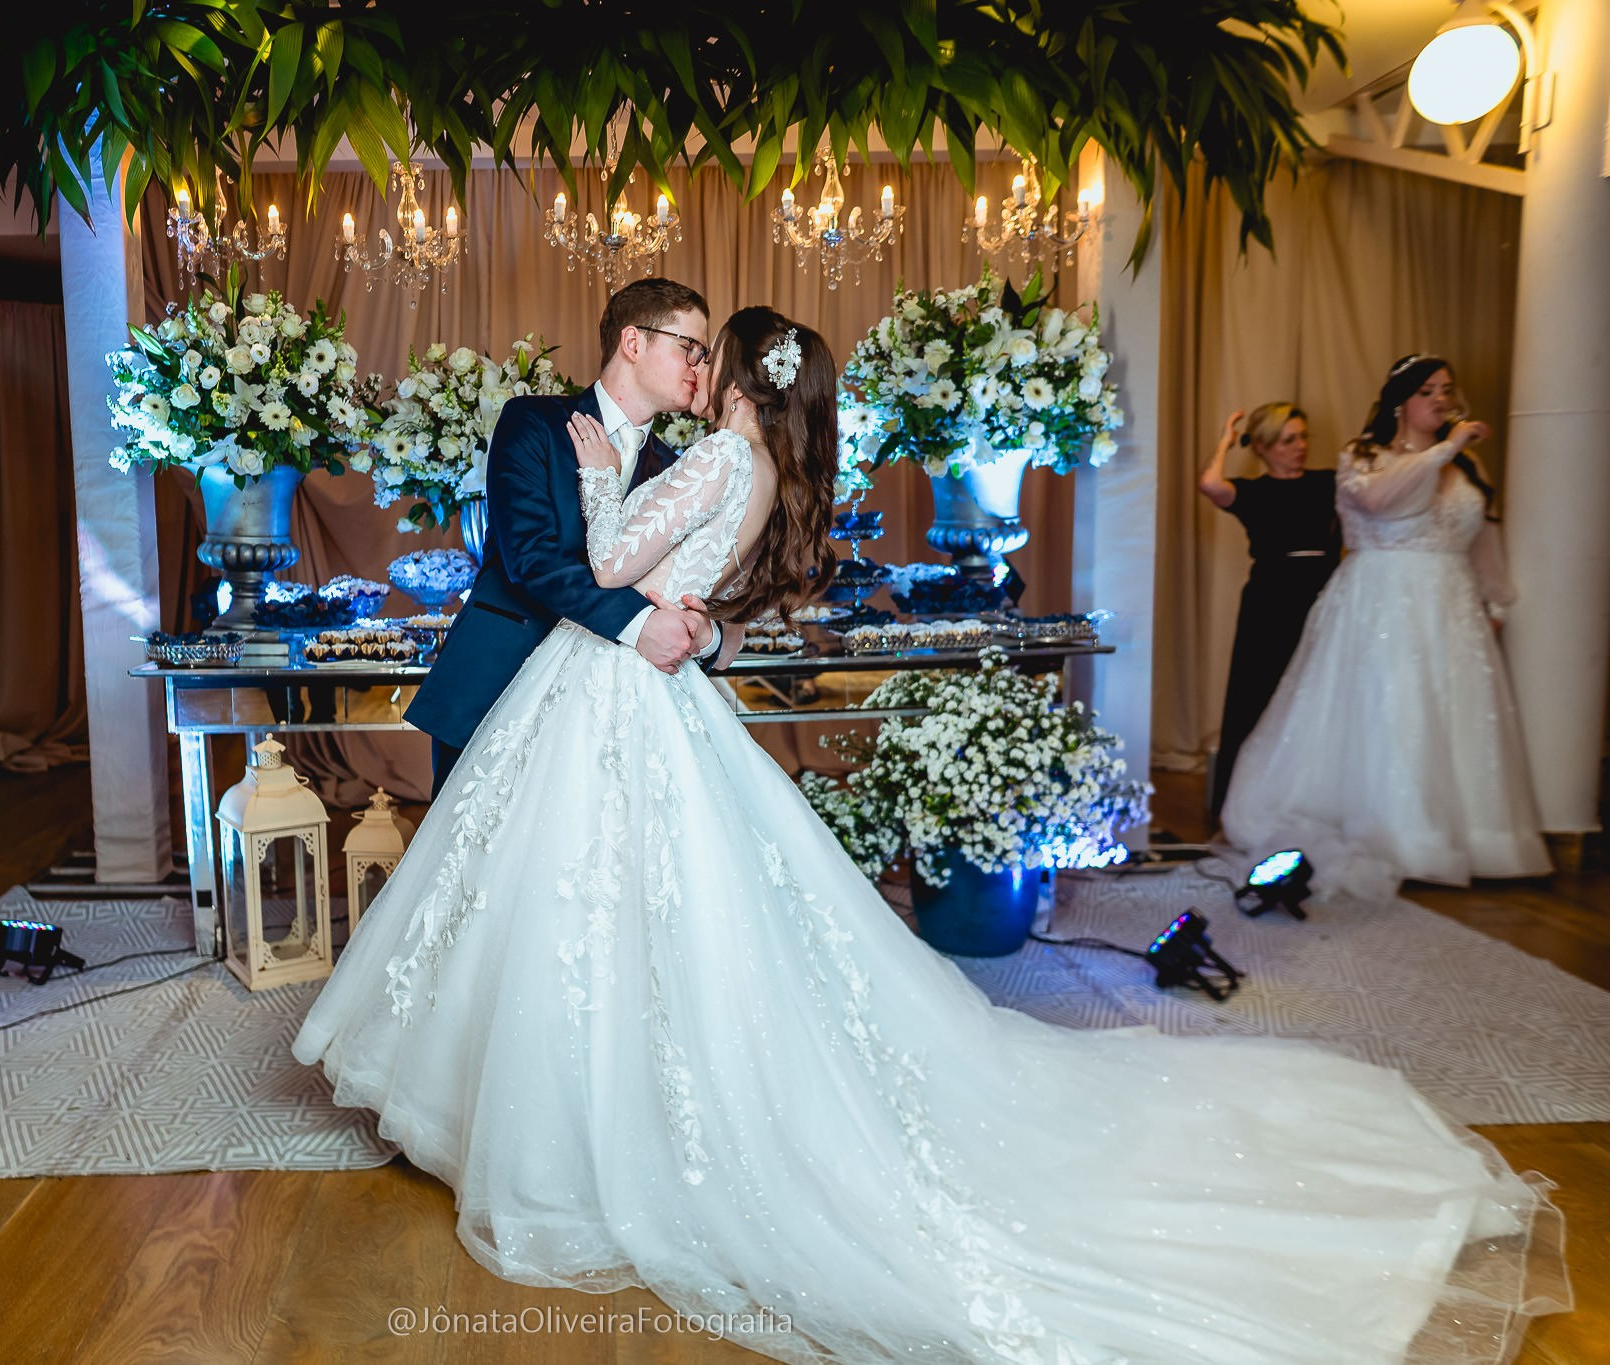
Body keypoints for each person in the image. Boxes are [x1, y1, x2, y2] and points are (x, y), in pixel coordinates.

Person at [296, 319, 1565, 1364]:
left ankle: (575, 1116)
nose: (691, 378)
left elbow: (600, 555)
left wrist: (590, 482)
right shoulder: (764, 474)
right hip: (635, 696)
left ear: (732, 376)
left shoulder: (712, 463)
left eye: (705, 359)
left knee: (603, 900)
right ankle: (575, 1091)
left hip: (620, 697)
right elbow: (677, 584)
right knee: (633, 905)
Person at [1222, 354, 1553, 891]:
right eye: (1429, 391)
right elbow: (1384, 501)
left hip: (1451, 603)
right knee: (1390, 710)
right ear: (1401, 401)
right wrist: (1447, 447)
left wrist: (1496, 601)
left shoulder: (1468, 465)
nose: (1442, 400)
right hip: (1380, 599)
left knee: (1454, 719)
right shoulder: (1363, 456)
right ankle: (1396, 832)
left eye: (1447, 390)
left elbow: (1484, 534)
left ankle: (1469, 835)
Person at [405, 277, 742, 799]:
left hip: (600, 715)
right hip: (497, 683)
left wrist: (704, 632)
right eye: (689, 348)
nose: (700, 367)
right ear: (634, 343)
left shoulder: (680, 471)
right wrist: (640, 625)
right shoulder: (533, 423)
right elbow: (531, 559)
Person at [1197, 402, 1341, 816]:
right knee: (1256, 694)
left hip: (1324, 594)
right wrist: (1226, 441)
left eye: (1303, 437)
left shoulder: (1328, 482)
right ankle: (1240, 801)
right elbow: (1210, 483)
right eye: (1287, 440)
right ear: (1262, 446)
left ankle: (1309, 797)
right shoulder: (1254, 491)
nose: (1300, 447)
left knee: (1317, 692)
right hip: (1272, 600)